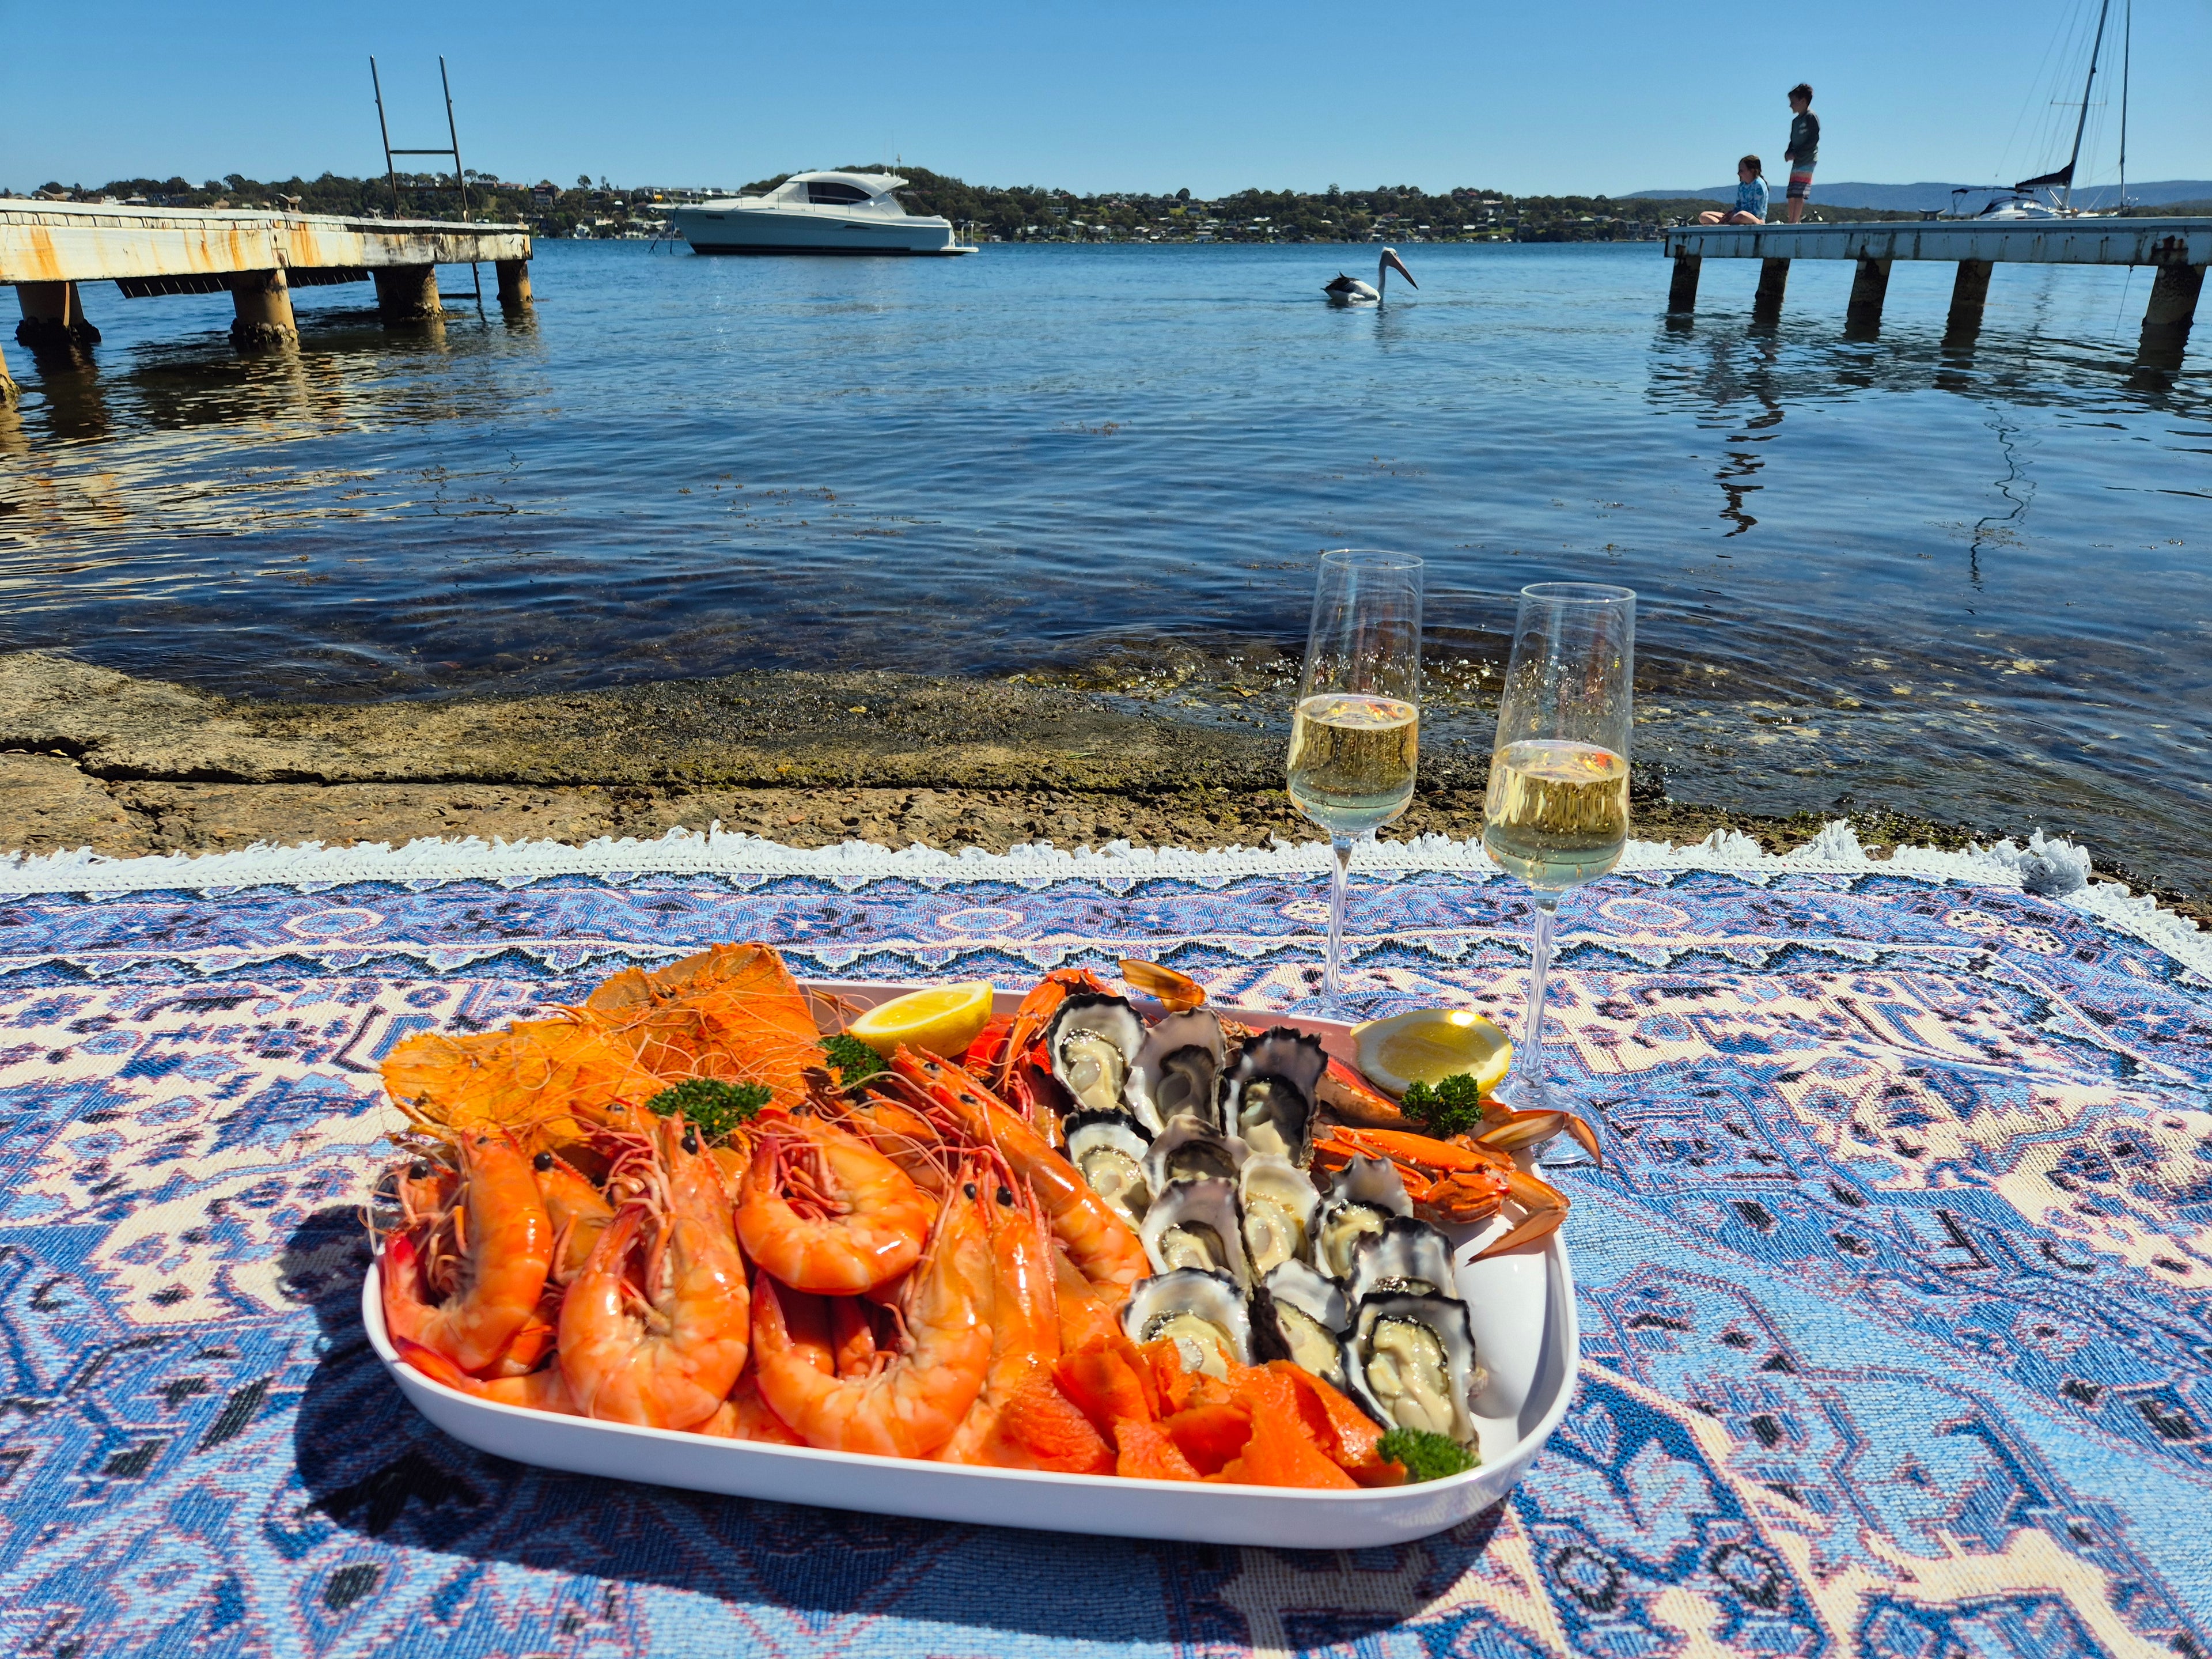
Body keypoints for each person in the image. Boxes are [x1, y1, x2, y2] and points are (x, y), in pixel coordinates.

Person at [1783, 82, 1819, 224]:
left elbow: (1814, 138)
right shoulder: (1796, 121)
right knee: (1792, 192)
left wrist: (1798, 153)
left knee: (1799, 192)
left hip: (1807, 159)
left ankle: (1795, 221)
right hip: (1798, 161)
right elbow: (1793, 140)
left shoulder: (1811, 117)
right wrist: (1789, 152)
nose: (1791, 106)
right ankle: (1791, 220)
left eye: (1793, 102)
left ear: (1803, 101)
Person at [1698, 157, 1768, 225]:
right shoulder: (1742, 185)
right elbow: (1738, 206)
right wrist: (1730, 215)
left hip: (1754, 219)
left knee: (1741, 215)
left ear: (1752, 171)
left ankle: (1725, 224)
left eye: (1741, 171)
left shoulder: (1759, 185)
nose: (1738, 173)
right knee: (1703, 216)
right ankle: (1726, 224)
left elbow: (1757, 212)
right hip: (1737, 217)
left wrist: (1735, 215)